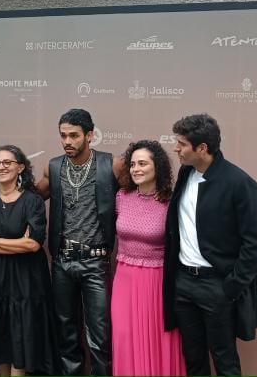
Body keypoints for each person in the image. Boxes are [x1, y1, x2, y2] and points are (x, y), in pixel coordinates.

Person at [163, 113, 257, 376]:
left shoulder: (239, 183)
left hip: (217, 285)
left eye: (181, 144)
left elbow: (255, 243)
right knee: (193, 358)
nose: (176, 148)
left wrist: (230, 287)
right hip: (183, 283)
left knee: (224, 360)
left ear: (202, 148)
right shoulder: (186, 173)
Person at [37, 108, 122, 376]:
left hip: (96, 261)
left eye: (74, 135)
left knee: (99, 334)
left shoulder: (111, 164)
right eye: (63, 135)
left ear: (90, 135)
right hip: (62, 261)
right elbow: (30, 197)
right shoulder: (53, 167)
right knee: (66, 332)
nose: (67, 141)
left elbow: (137, 195)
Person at [0, 145, 56, 376]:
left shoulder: (33, 201)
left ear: (20, 167)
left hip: (25, 279)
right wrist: (17, 244)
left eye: (8, 162)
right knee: (0, 331)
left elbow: (33, 244)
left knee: (21, 332)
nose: (1, 167)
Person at [111, 140, 186, 376]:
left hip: (157, 281)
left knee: (156, 339)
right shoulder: (122, 196)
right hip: (124, 278)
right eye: (133, 164)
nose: (136, 169)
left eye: (142, 163)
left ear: (158, 167)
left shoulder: (170, 202)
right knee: (124, 337)